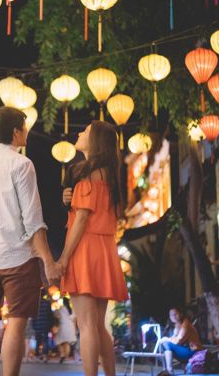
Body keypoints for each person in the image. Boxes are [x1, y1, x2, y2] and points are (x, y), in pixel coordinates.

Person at [0, 107, 62, 376]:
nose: (26, 132)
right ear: (16, 132)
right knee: (16, 324)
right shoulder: (22, 164)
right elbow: (33, 221)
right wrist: (49, 262)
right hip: (18, 258)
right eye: (25, 127)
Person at [60, 121, 129, 376]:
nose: (80, 133)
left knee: (87, 326)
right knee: (98, 326)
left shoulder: (87, 176)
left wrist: (64, 258)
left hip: (85, 248)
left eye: (86, 132)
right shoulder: (109, 177)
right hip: (104, 248)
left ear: (96, 142)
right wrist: (70, 197)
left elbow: (81, 220)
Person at [159, 307, 203, 374]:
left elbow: (178, 341)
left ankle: (169, 370)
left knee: (166, 344)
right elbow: (174, 340)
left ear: (181, 314)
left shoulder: (185, 324)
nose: (173, 316)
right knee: (165, 344)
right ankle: (167, 370)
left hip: (193, 351)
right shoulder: (177, 325)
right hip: (187, 350)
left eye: (175, 314)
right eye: (171, 315)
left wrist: (166, 339)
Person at [54, 298, 77, 363]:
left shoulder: (61, 308)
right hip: (70, 327)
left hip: (63, 326)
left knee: (58, 341)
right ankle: (66, 356)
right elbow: (74, 318)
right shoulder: (71, 309)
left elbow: (56, 315)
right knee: (67, 342)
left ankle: (62, 354)